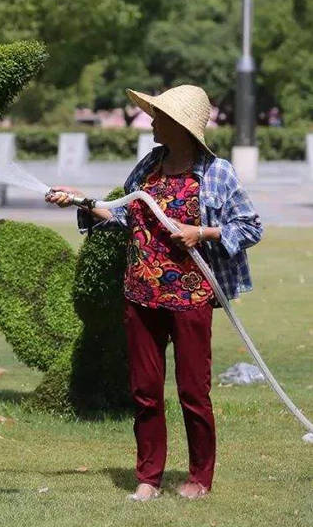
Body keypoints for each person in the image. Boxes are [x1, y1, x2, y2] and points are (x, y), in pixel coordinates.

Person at [46, 85, 263, 501]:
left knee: (193, 392)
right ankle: (148, 478)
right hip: (140, 294)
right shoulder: (149, 167)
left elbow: (250, 227)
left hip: (191, 297)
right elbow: (124, 214)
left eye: (158, 116)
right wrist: (78, 201)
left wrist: (200, 232)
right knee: (145, 392)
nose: (150, 121)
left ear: (180, 126)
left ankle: (199, 477)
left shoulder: (216, 174)